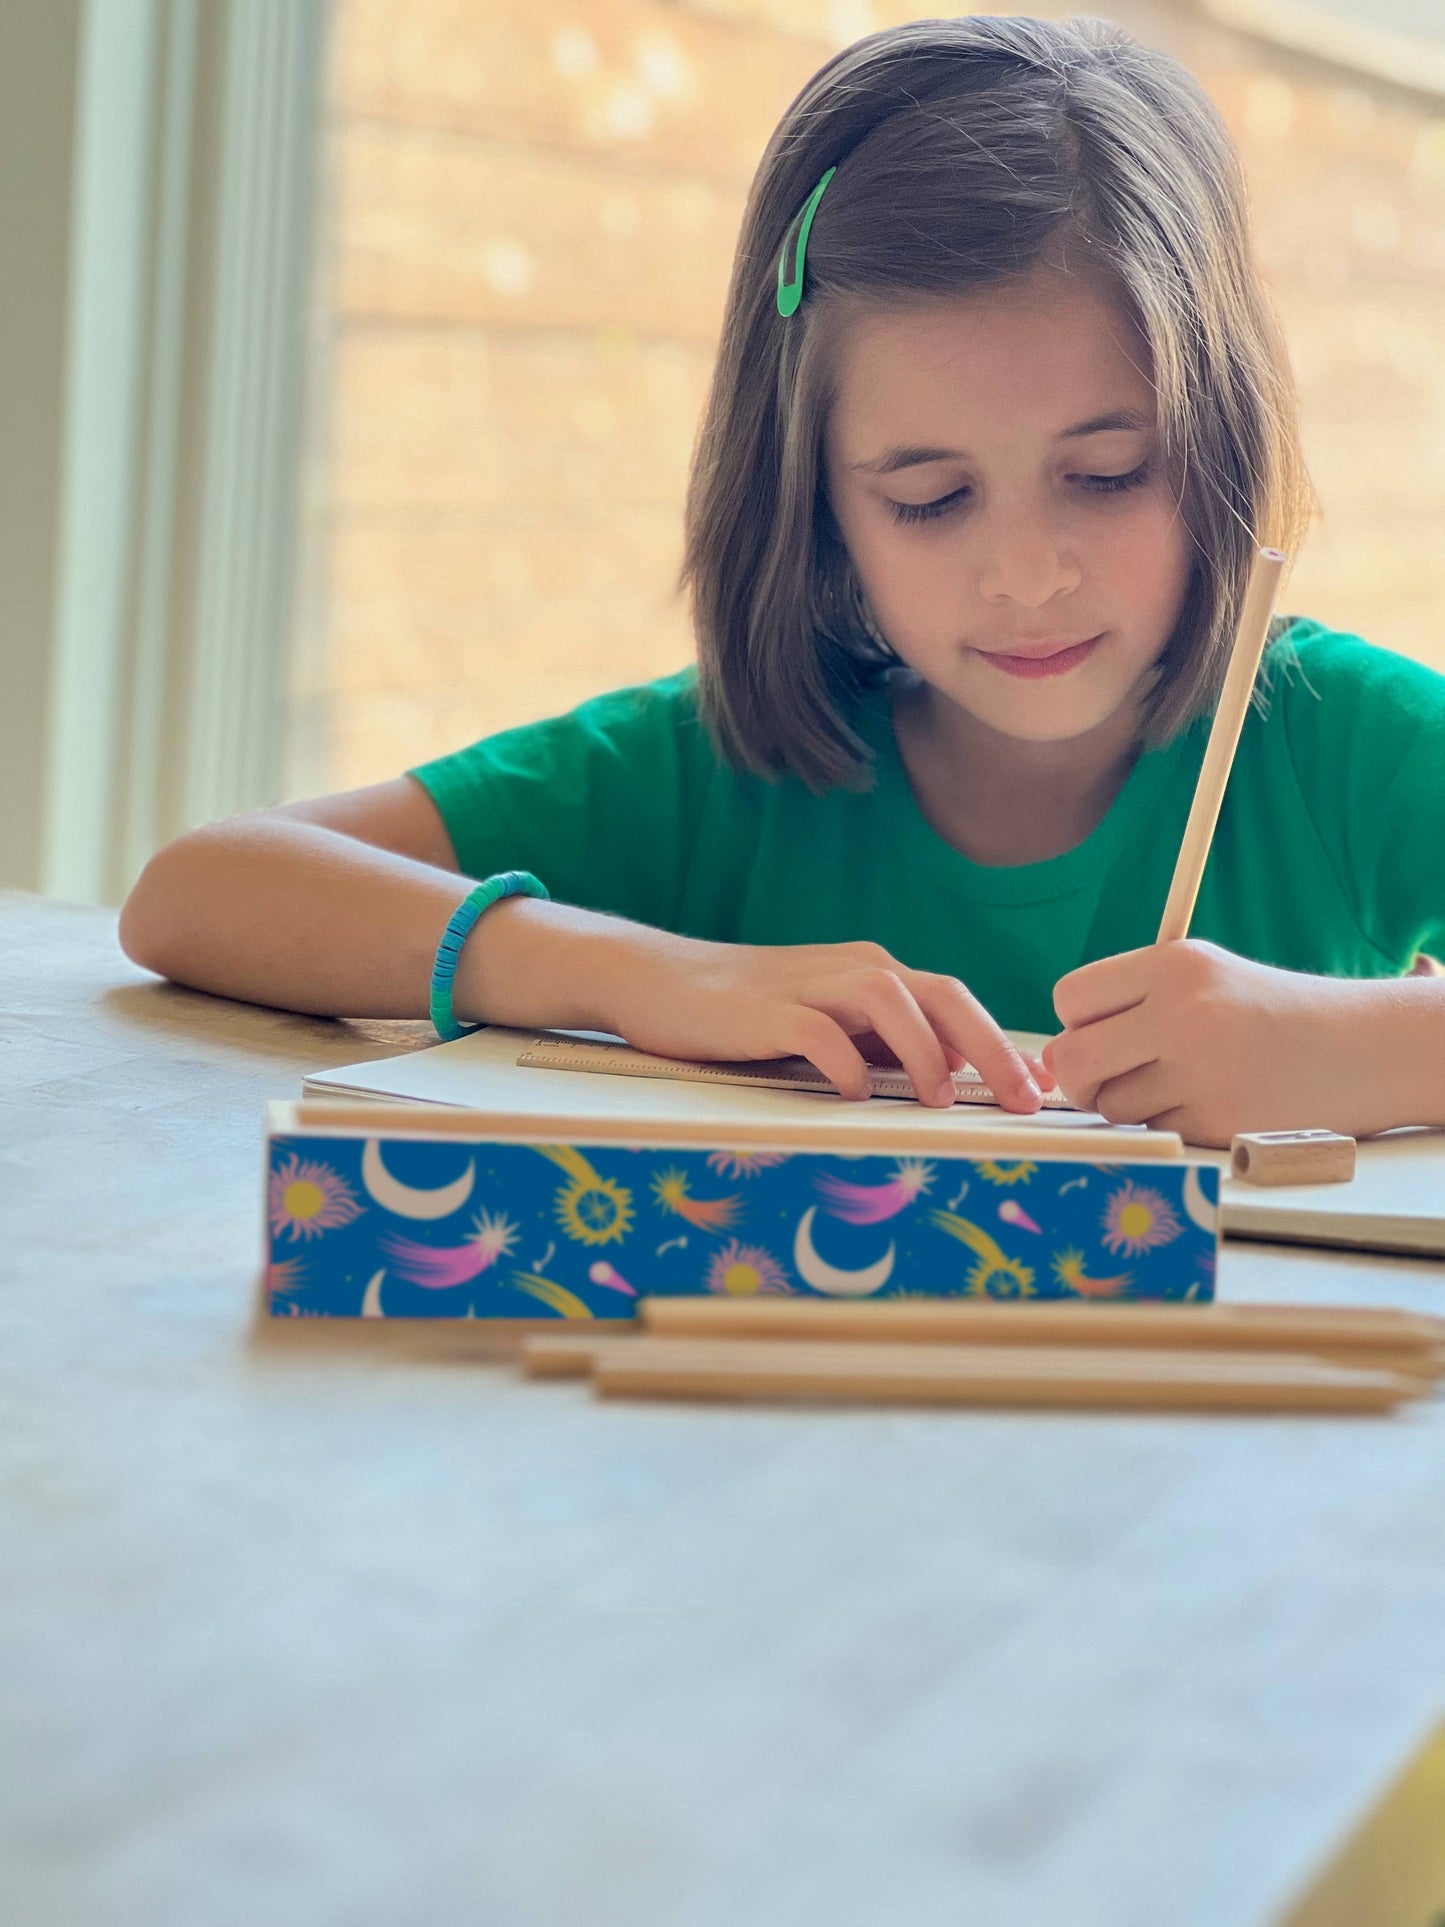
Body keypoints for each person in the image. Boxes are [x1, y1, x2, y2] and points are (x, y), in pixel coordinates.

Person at [119, 15, 1445, 1148]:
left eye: (1105, 475)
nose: (1029, 575)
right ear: (815, 504)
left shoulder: (1346, 748)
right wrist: (639, 975)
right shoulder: (719, 774)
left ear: (1213, 442)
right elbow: (200, 889)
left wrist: (1371, 1048)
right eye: (927, 499)